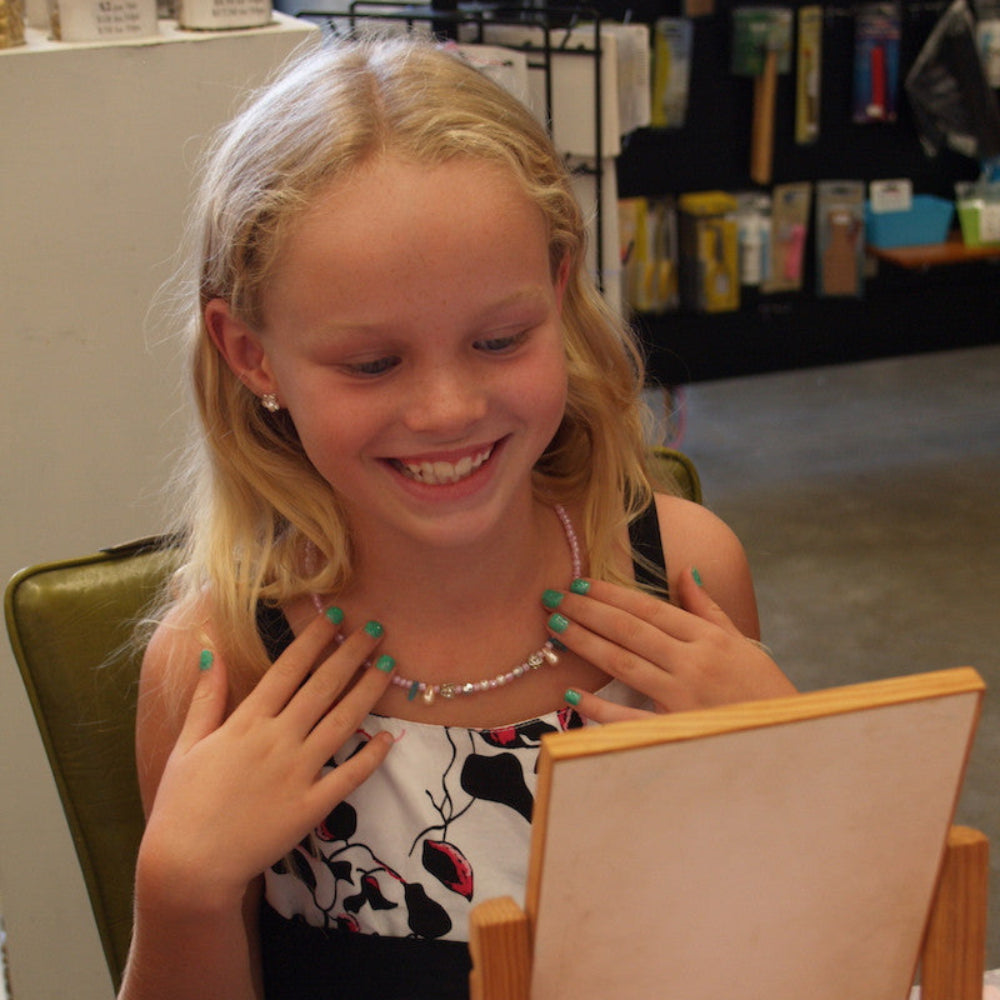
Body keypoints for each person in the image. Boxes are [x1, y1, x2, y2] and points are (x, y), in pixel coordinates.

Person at [119, 32, 794, 1000]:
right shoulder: (222, 662)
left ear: (558, 294)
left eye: (498, 338)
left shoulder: (686, 583)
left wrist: (791, 775)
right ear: (251, 354)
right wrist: (181, 886)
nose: (447, 408)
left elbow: (768, 942)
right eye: (372, 363)